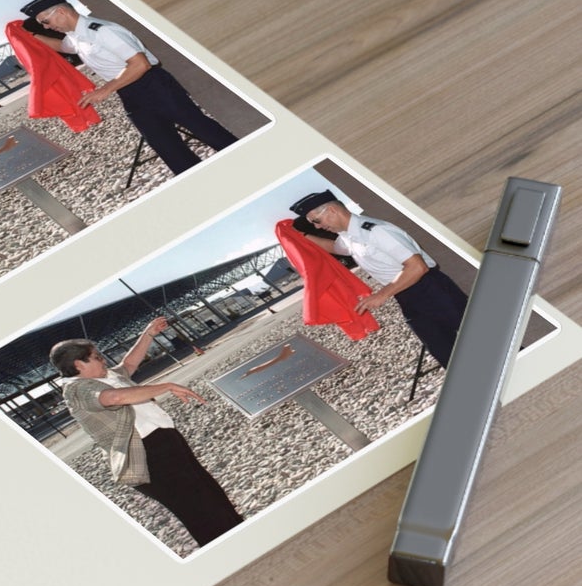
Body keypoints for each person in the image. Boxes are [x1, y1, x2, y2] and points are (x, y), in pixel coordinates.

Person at [50, 320, 244, 547]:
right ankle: (230, 550)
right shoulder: (77, 390)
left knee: (209, 493)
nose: (103, 360)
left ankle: (240, 533)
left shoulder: (105, 377)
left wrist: (148, 334)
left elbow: (130, 363)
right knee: (198, 509)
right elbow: (115, 398)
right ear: (78, 364)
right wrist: (167, 386)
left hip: (164, 441)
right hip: (146, 454)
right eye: (96, 357)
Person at [18, 0, 237, 174]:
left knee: (202, 128)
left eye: (45, 22)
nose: (47, 26)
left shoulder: (102, 31)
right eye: (42, 24)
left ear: (62, 12)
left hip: (153, 85)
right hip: (130, 93)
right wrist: (27, 36)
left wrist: (105, 90)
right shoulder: (76, 35)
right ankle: (200, 179)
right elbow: (63, 47)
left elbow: (140, 64)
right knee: (165, 145)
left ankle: (244, 158)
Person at [290, 190, 468, 367]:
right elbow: (333, 247)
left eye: (316, 221)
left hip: (431, 289)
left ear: (332, 210)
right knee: (444, 351)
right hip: (405, 295)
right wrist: (300, 237)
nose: (317, 227)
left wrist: (381, 295)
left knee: (479, 334)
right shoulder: (349, 236)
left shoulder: (376, 230)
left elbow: (417, 267)